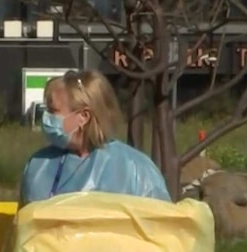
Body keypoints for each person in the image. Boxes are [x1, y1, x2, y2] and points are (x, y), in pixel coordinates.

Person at [20, 70, 172, 206]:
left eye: (53, 111)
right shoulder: (37, 165)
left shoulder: (137, 170)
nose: (46, 118)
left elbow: (160, 230)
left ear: (83, 117)